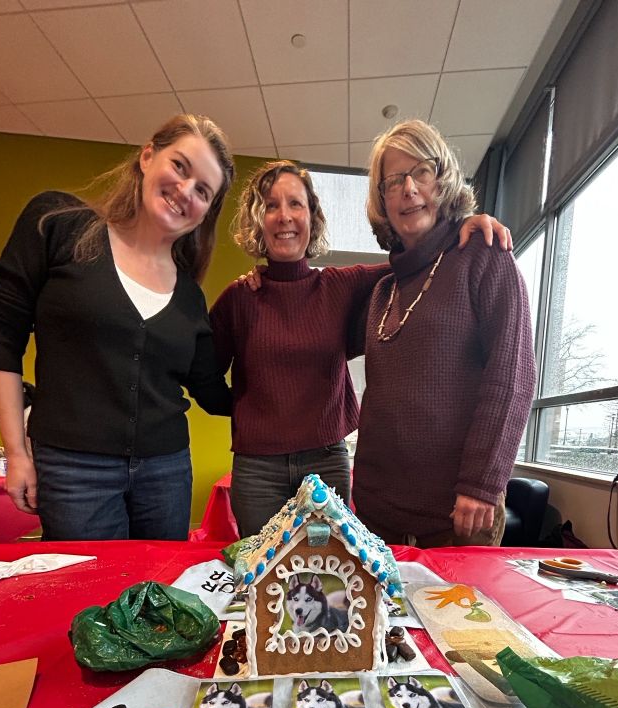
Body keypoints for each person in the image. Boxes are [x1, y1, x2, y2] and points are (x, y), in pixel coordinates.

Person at [210, 159, 511, 538]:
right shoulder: (239, 298)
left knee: (332, 577)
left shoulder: (343, 286)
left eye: (295, 204)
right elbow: (203, 377)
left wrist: (460, 227)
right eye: (271, 205)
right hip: (258, 472)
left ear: (312, 216)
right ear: (258, 218)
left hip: (327, 463)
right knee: (263, 574)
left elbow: (416, 261)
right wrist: (249, 404)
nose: (284, 216)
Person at [0, 114, 234, 541]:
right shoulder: (58, 226)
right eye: (180, 167)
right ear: (148, 156)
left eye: (203, 191)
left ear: (206, 211)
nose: (185, 191)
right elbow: (1, 334)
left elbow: (212, 391)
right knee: (86, 595)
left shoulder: (190, 296)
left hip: (166, 473)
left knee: (160, 595)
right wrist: (16, 452)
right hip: (72, 471)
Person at [352, 120, 535, 548]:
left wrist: (481, 483)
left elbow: (513, 377)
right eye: (393, 181)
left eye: (421, 172)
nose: (408, 189)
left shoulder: (484, 258)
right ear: (382, 200)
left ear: (444, 180)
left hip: (457, 514)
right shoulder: (384, 290)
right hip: (378, 516)